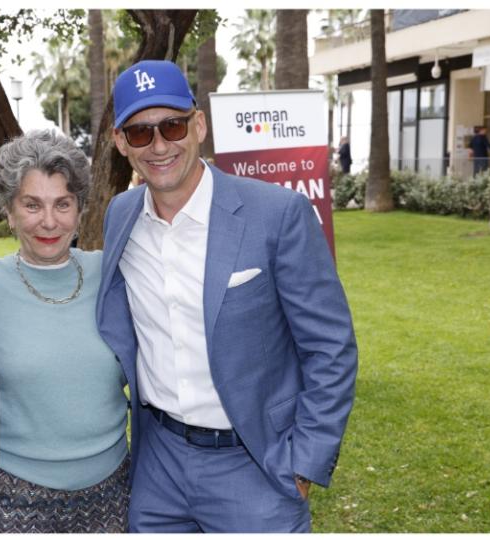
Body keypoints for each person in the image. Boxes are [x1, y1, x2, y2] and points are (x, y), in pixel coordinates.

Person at [96, 60, 358, 533]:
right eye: (140, 133)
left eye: (172, 125)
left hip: (255, 464)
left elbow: (330, 346)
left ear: (198, 125)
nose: (159, 145)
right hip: (157, 464)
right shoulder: (120, 216)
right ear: (120, 143)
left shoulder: (277, 214)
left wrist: (305, 461)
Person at [0, 130, 130, 533]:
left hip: (115, 489)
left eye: (63, 204)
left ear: (80, 210)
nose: (49, 221)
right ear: (8, 210)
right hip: (18, 496)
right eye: (32, 204)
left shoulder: (111, 274)